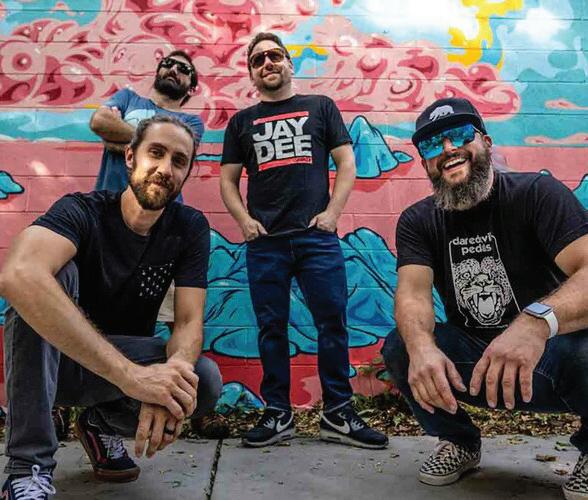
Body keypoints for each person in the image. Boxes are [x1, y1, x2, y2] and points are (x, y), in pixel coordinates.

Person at [0, 115, 222, 499]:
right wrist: (132, 378)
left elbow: (188, 323)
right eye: (156, 152)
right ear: (130, 157)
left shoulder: (188, 228)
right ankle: (27, 468)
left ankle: (99, 424)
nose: (165, 168)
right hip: (52, 365)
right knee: (48, 275)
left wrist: (170, 380)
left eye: (179, 160)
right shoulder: (82, 211)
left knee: (200, 379)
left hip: (113, 372)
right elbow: (18, 275)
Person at [381, 97, 588, 499]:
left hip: (550, 354)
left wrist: (535, 324)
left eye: (459, 135)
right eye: (432, 144)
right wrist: (421, 348)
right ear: (424, 163)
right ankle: (458, 441)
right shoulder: (419, 220)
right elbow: (413, 293)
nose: (447, 149)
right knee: (402, 347)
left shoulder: (536, 194)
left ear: (486, 142)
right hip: (477, 359)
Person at [220, 32, 388, 450]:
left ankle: (338, 413)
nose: (267, 63)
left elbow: (346, 162)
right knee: (271, 329)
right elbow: (227, 180)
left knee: (332, 323)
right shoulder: (241, 122)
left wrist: (333, 214)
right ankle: (278, 413)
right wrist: (244, 222)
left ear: (289, 63)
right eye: (258, 60)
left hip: (317, 239)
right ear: (251, 74)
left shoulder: (320, 107)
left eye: (274, 55)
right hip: (266, 243)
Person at [90, 49, 203, 196]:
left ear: (192, 90)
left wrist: (115, 140)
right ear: (157, 72)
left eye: (183, 69)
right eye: (168, 63)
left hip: (159, 205)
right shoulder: (127, 97)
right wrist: (155, 146)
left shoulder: (192, 123)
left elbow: (173, 156)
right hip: (109, 200)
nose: (174, 69)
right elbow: (99, 121)